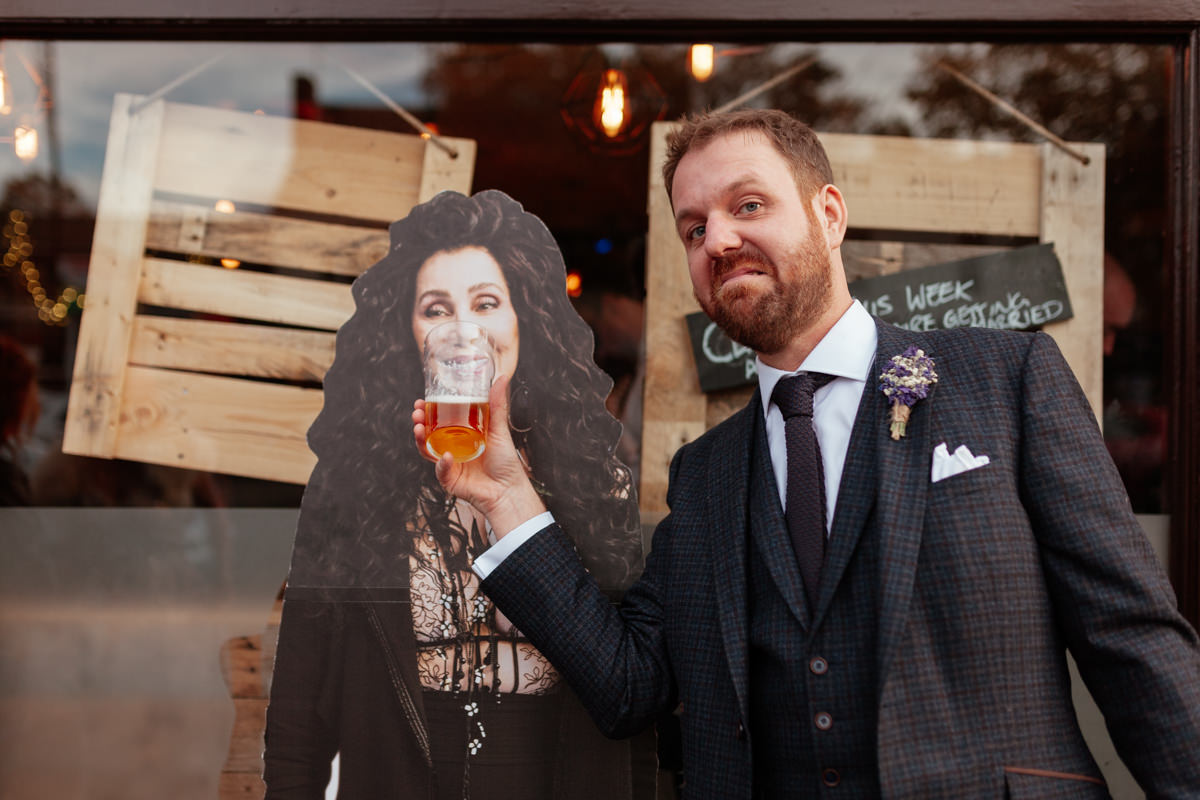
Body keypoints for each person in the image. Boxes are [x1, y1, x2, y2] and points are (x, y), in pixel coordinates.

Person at [414, 110, 1200, 797]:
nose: (719, 239)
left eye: (748, 205)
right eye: (694, 229)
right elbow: (630, 683)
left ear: (829, 214)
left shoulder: (1005, 379)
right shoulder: (706, 475)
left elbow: (1131, 640)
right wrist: (503, 493)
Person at [266, 190, 653, 799]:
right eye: (436, 309)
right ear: (410, 333)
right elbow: (297, 719)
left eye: (486, 303)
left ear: (524, 322)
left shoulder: (597, 485)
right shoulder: (351, 486)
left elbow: (629, 701)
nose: (463, 331)